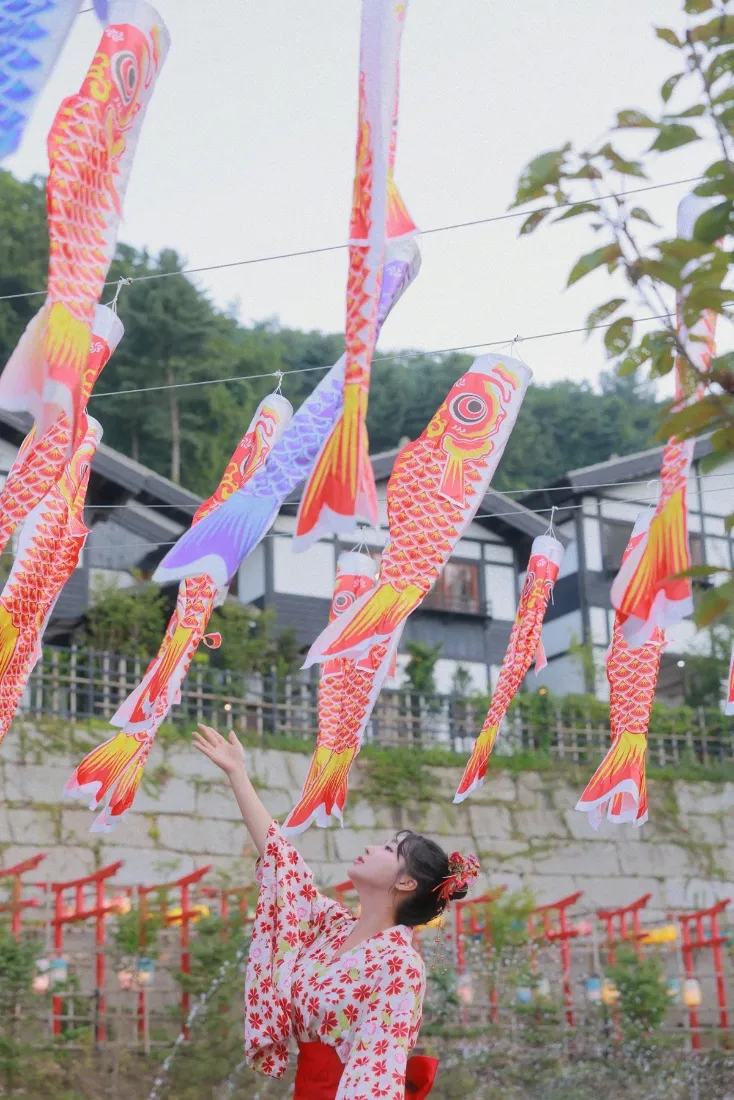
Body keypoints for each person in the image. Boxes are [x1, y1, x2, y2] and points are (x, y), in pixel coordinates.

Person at [193, 723, 480, 1100]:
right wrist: (238, 774)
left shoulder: (400, 964)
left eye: (388, 849)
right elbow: (284, 866)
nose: (371, 847)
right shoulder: (332, 927)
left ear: (406, 882)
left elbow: (376, 1073)